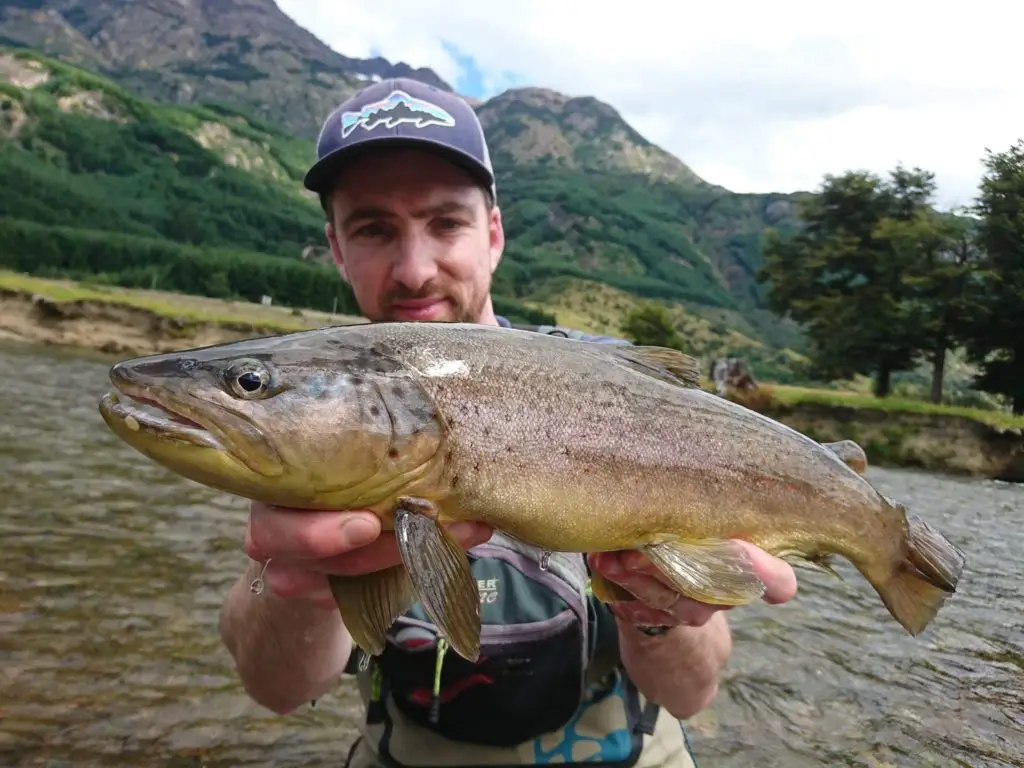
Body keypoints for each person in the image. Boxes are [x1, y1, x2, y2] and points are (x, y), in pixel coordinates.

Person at [218, 77, 798, 767]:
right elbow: (275, 690)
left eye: (445, 223)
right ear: (337, 249)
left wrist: (655, 608)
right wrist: (296, 584)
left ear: (493, 234)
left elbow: (694, 691)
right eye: (374, 229)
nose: (414, 269)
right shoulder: (320, 414)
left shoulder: (612, 394)